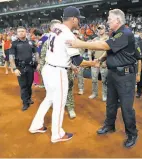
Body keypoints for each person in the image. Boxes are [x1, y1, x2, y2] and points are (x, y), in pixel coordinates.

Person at [66, 9, 142, 148]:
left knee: (126, 108)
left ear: (118, 20)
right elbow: (110, 50)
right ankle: (110, 125)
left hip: (125, 76)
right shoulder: (115, 33)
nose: (107, 21)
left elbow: (105, 45)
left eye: (110, 19)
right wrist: (100, 59)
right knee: (111, 103)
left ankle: (132, 134)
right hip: (113, 74)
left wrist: (80, 43)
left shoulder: (125, 33)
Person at [28, 6, 97, 143]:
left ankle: (35, 125)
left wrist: (70, 64)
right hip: (58, 72)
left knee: (49, 98)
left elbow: (59, 52)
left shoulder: (55, 29)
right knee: (59, 103)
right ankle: (57, 134)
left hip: (48, 68)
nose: (79, 21)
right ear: (73, 19)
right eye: (78, 19)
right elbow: (78, 60)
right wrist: (92, 63)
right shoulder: (68, 34)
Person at [9, 26, 40, 111]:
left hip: (30, 67)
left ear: (26, 32)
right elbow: (11, 57)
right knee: (23, 86)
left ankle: (29, 99)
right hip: (20, 68)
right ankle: (25, 102)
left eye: (22, 31)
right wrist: (15, 69)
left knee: (29, 84)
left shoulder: (31, 42)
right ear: (17, 33)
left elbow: (36, 53)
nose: (21, 33)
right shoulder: (14, 43)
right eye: (19, 31)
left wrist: (38, 63)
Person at [88, 25, 109, 101]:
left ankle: (104, 95)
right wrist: (90, 60)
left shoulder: (108, 39)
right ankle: (94, 93)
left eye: (101, 29)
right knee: (94, 79)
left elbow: (108, 51)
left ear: (105, 29)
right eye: (99, 29)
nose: (100, 30)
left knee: (104, 80)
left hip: (103, 62)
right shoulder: (95, 39)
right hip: (95, 61)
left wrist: (106, 61)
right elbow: (90, 49)